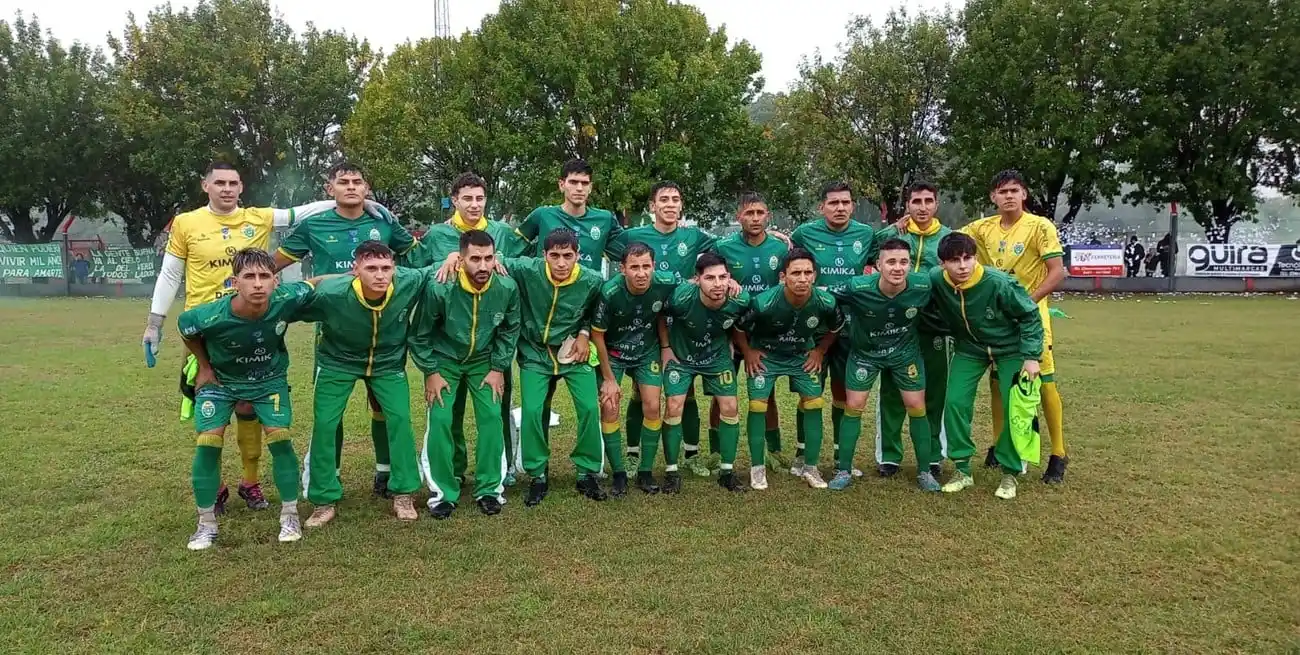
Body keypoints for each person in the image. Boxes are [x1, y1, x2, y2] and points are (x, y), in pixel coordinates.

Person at [141, 161, 391, 514]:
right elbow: (170, 275)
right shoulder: (186, 223)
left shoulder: (257, 217)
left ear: (241, 187)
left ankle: (251, 482)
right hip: (206, 326)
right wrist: (155, 322)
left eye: (233, 183)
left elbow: (301, 211)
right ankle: (216, 486)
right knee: (208, 409)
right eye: (220, 183)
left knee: (250, 407)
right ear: (205, 186)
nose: (227, 189)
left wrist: (361, 203)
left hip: (256, 324)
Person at [273, 161, 418, 500]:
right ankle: (329, 476)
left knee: (382, 405)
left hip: (382, 329)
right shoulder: (315, 225)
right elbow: (274, 264)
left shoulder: (383, 224)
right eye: (343, 181)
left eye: (357, 181)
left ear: (366, 188)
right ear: (330, 188)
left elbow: (415, 257)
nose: (351, 187)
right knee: (330, 412)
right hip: (335, 326)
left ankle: (385, 474)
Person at [176, 248, 319, 550]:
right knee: (208, 445)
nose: (258, 284)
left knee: (281, 440)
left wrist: (354, 275)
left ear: (275, 282)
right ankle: (205, 525)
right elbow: (186, 329)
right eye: (249, 277)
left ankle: (289, 516)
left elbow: (316, 283)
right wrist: (203, 367)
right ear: (234, 282)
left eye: (265, 276)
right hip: (221, 382)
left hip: (269, 381)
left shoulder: (285, 299)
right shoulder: (209, 314)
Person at [296, 241, 428, 526]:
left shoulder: (409, 281)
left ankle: (403, 493)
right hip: (336, 362)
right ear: (355, 270)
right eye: (371, 269)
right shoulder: (333, 293)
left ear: (394, 268)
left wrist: (454, 256)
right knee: (326, 423)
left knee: (401, 420)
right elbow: (291, 304)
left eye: (385, 268)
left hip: (387, 362)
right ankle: (323, 500)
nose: (380, 275)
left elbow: (435, 271)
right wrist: (309, 283)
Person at [415, 172, 529, 488]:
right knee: (448, 413)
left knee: (496, 408)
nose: (474, 204)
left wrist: (499, 260)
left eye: (480, 198)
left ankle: (499, 471)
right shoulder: (437, 235)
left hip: (488, 341)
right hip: (449, 339)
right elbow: (422, 275)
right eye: (467, 198)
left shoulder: (502, 232)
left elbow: (520, 267)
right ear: (454, 200)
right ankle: (452, 469)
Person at [960, 170, 1068, 484]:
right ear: (993, 197)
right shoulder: (982, 228)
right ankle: (998, 445)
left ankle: (1058, 453)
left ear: (1024, 195)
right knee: (997, 382)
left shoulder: (1040, 226)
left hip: (1033, 317)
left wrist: (1026, 302)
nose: (1008, 196)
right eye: (1002, 191)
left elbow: (1057, 272)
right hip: (998, 320)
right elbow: (946, 238)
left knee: (1041, 382)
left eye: (1014, 190)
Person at [605, 181, 717, 477]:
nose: (670, 204)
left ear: (681, 205)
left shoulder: (693, 236)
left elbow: (727, 247)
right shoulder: (634, 236)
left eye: (676, 199)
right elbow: (601, 242)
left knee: (686, 389)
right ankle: (632, 454)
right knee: (640, 393)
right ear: (652, 206)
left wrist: (770, 233)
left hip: (682, 325)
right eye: (663, 199)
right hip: (644, 324)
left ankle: (691, 454)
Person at [409, 229, 521, 519]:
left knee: (490, 418)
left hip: (484, 360)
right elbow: (420, 334)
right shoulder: (441, 287)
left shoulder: (506, 286)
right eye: (475, 259)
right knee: (442, 419)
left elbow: (510, 328)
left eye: (487, 258)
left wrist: (498, 367)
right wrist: (431, 371)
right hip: (445, 360)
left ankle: (488, 489)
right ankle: (444, 493)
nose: (482, 266)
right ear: (460, 260)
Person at [928, 232, 1044, 499]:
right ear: (943, 263)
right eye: (955, 260)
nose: (963, 266)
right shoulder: (936, 279)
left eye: (968, 258)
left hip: (1010, 350)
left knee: (1012, 407)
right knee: (955, 402)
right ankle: (962, 469)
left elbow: (1029, 314)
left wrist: (1031, 357)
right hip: (969, 349)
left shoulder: (999, 282)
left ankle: (1009, 474)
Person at [501, 229, 608, 506]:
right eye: (555, 256)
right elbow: (493, 258)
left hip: (573, 350)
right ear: (544, 255)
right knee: (534, 410)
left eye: (568, 256)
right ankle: (538, 474)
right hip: (534, 352)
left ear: (578, 256)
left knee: (588, 407)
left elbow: (594, 311)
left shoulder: (592, 279)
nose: (561, 263)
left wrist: (584, 335)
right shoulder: (526, 269)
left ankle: (587, 471)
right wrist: (455, 256)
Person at [831, 239, 939, 492]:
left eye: (903, 262)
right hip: (865, 355)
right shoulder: (857, 287)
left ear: (910, 265)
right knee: (854, 406)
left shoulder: (923, 285)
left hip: (905, 355)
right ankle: (844, 470)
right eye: (890, 262)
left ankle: (925, 472)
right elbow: (822, 295)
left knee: (916, 406)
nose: (897, 268)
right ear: (878, 265)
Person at [790, 181, 877, 477]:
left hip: (850, 327)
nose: (840, 208)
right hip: (813, 327)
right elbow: (788, 253)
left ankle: (844, 458)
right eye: (833, 203)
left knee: (843, 393)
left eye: (845, 203)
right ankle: (802, 454)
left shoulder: (866, 235)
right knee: (809, 392)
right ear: (822, 207)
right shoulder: (804, 233)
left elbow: (881, 259)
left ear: (852, 205)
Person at [733, 248, 839, 490]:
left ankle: (810, 468)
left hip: (801, 356)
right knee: (757, 405)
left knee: (814, 403)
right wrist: (748, 352)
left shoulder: (826, 301)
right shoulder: (763, 303)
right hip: (766, 356)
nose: (802, 279)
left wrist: (820, 351)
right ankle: (757, 468)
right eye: (796, 273)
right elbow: (739, 328)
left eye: (807, 273)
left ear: (815, 276)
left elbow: (836, 327)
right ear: (783, 277)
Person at [875, 181, 953, 480]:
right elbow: (871, 249)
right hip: (895, 325)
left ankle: (933, 454)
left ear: (936, 204)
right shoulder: (894, 236)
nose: (922, 207)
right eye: (916, 201)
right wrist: (893, 229)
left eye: (928, 201)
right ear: (907, 205)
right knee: (892, 390)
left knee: (934, 391)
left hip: (934, 327)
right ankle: (889, 456)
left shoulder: (948, 239)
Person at [658, 253, 751, 493]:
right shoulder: (681, 298)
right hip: (681, 356)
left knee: (730, 407)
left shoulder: (740, 299)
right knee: (674, 405)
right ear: (697, 280)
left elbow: (739, 323)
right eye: (709, 278)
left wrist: (733, 342)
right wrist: (666, 348)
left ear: (729, 278)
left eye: (722, 277)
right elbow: (660, 315)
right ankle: (671, 471)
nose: (717, 284)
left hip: (716, 358)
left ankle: (727, 471)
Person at [591, 242, 677, 494]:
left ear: (654, 266)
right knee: (609, 406)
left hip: (645, 351)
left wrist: (665, 347)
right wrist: (608, 378)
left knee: (652, 405)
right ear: (623, 269)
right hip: (614, 353)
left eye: (646, 266)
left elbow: (664, 311)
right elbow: (598, 336)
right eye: (634, 267)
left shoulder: (664, 282)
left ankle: (645, 471)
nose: (641, 273)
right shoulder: (610, 292)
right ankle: (618, 473)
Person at [715, 192, 791, 472]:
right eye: (749, 213)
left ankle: (773, 450)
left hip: (765, 333)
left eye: (760, 213)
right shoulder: (724, 247)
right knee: (722, 390)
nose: (755, 218)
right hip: (728, 330)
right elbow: (709, 270)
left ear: (767, 215)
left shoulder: (780, 249)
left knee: (766, 391)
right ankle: (715, 451)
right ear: (739, 217)